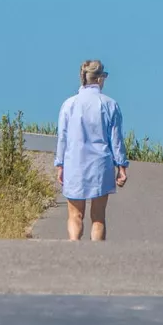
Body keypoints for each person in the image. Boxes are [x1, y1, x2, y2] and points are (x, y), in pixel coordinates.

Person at [55, 59, 128, 241]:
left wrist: (60, 164)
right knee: (98, 216)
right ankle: (96, 255)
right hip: (100, 163)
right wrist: (121, 166)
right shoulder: (110, 104)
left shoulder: (69, 104)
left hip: (75, 162)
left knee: (74, 214)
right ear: (100, 78)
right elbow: (116, 139)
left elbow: (62, 137)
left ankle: (74, 246)